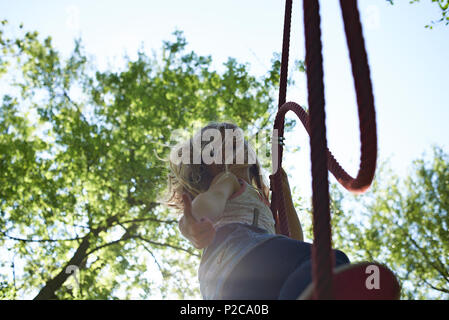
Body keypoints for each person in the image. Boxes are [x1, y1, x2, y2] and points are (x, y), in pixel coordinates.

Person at [166, 122, 350, 299]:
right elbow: (211, 200)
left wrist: (285, 195)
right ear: (213, 162)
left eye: (238, 141)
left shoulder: (262, 203)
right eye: (228, 144)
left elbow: (293, 240)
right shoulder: (228, 180)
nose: (238, 145)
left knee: (307, 271)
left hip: (228, 284)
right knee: (329, 262)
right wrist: (194, 220)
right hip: (239, 255)